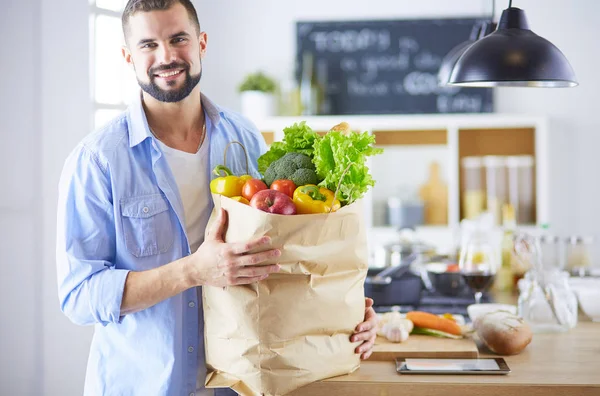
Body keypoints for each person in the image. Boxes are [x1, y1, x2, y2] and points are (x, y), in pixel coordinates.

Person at [56, 1, 378, 395]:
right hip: (142, 386)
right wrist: (193, 271)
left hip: (241, 383)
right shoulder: (97, 160)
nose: (167, 56)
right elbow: (79, 296)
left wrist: (345, 314)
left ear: (201, 43)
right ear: (128, 57)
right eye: (148, 45)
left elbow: (282, 254)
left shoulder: (246, 138)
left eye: (178, 39)